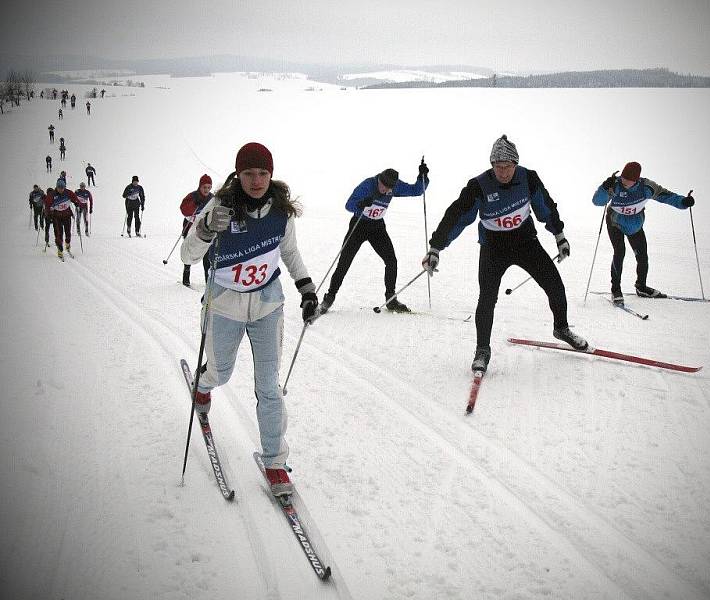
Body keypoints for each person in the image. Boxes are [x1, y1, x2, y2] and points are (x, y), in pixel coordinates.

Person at [180, 142, 318, 497]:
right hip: (225, 305)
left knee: (268, 387)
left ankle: (275, 462)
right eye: (248, 173)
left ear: (271, 175)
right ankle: (204, 384)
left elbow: (289, 252)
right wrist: (207, 228)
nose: (256, 181)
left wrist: (306, 289)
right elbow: (188, 254)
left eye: (262, 173)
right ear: (237, 174)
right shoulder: (220, 206)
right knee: (221, 372)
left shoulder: (281, 211)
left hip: (268, 306)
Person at [422, 134, 588, 373]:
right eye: (497, 167)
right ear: (492, 166)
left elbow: (546, 206)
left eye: (508, 167)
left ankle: (561, 328)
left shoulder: (528, 178)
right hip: (493, 247)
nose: (503, 172)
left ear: (515, 164)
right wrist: (436, 247)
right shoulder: (478, 186)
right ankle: (482, 350)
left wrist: (559, 235)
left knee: (555, 284)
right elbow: (456, 216)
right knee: (487, 298)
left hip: (525, 241)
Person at [318, 160, 429, 314]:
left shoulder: (393, 186)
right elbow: (348, 205)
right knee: (344, 262)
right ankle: (328, 298)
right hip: (359, 225)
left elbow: (416, 190)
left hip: (377, 228)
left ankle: (391, 300)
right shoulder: (367, 185)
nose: (385, 190)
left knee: (391, 261)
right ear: (379, 180)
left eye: (389, 188)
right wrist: (361, 203)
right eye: (383, 186)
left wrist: (423, 176)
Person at [591, 161, 695, 304]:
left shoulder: (646, 187)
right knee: (619, 252)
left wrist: (684, 202)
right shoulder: (614, 184)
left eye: (627, 180)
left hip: (635, 225)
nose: (624, 181)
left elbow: (667, 196)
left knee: (642, 256)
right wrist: (604, 187)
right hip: (615, 222)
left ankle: (641, 287)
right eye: (623, 178)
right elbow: (597, 201)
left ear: (636, 180)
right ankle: (616, 290)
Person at [179, 174, 214, 286]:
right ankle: (186, 275)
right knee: (189, 250)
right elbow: (184, 209)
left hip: (204, 229)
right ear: (200, 186)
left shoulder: (212, 198)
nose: (206, 190)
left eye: (209, 187)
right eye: (204, 187)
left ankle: (207, 280)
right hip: (190, 227)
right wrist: (194, 204)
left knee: (206, 255)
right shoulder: (192, 196)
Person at [44, 178, 79, 260]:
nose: (61, 190)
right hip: (57, 217)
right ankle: (60, 250)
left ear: (64, 187)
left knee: (68, 233)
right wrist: (48, 214)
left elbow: (75, 199)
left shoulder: (68, 192)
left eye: (62, 188)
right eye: (59, 188)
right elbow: (47, 206)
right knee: (59, 234)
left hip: (67, 216)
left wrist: (77, 203)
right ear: (57, 187)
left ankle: (67, 244)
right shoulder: (52, 195)